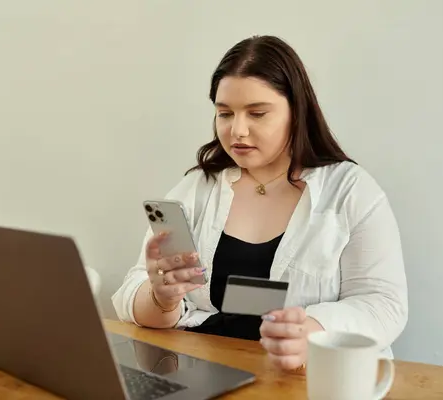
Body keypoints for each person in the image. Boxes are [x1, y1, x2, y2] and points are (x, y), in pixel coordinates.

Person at [112, 35, 408, 372]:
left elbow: (385, 305)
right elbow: (132, 294)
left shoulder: (350, 191)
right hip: (203, 370)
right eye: (225, 114)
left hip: (307, 377)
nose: (237, 130)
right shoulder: (197, 187)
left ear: (297, 113)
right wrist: (161, 298)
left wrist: (312, 329)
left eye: (257, 113)